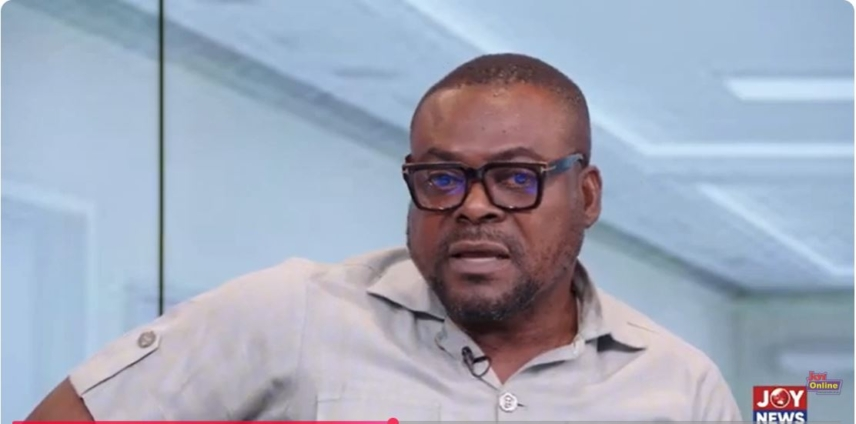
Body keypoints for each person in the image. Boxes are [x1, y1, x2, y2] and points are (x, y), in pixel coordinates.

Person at [26, 53, 742, 421]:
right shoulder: (288, 316)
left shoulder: (679, 387)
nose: (474, 208)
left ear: (585, 196)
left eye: (515, 178)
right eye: (442, 178)